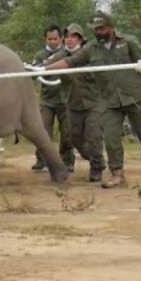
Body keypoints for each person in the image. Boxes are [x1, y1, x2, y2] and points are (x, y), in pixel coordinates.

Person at [45, 11, 141, 188]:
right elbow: (71, 62)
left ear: (111, 27)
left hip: (134, 97)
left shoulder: (128, 42)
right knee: (111, 137)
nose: (98, 32)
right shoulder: (91, 48)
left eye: (101, 28)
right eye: (95, 29)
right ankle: (117, 173)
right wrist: (45, 69)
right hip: (109, 100)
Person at [52, 24, 106, 183]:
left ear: (81, 39)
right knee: (73, 138)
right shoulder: (60, 56)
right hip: (72, 103)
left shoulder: (90, 53)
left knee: (93, 135)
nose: (70, 40)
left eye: (74, 37)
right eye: (67, 36)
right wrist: (33, 70)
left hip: (94, 102)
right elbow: (44, 66)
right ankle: (94, 158)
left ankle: (97, 168)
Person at [32, 25, 74, 174]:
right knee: (42, 131)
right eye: (49, 39)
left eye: (55, 38)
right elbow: (34, 73)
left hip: (66, 99)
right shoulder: (39, 55)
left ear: (61, 38)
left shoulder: (67, 53)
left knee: (68, 132)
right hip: (46, 99)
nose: (52, 41)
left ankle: (67, 161)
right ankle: (41, 160)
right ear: (45, 39)